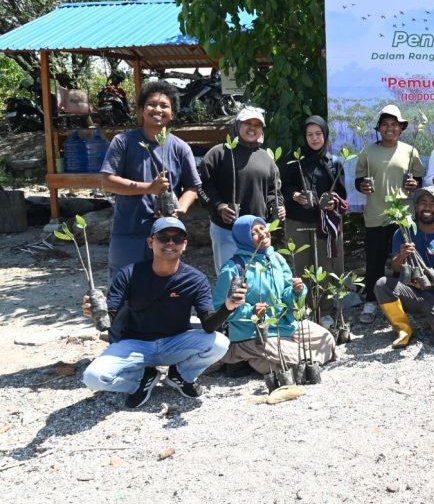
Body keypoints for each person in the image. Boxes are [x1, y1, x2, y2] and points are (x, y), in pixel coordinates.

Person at [81, 218, 230, 408]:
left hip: (175, 342)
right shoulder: (129, 274)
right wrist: (93, 312)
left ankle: (181, 375)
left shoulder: (196, 279)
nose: (170, 243)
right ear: (151, 242)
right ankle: (142, 380)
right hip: (136, 345)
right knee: (92, 378)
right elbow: (110, 312)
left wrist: (228, 307)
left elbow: (208, 325)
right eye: (163, 237)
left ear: (184, 245)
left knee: (220, 342)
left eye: (177, 239)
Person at [211, 215, 338, 376]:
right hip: (253, 332)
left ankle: (263, 360)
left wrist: (297, 291)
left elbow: (286, 296)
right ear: (243, 238)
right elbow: (219, 308)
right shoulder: (236, 268)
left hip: (285, 325)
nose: (262, 233)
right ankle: (242, 355)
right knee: (298, 360)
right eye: (254, 232)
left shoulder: (276, 258)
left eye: (263, 228)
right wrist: (251, 312)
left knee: (326, 340)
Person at [100, 80, 201, 278]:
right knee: (124, 289)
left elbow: (192, 187)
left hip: (166, 236)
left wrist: (180, 208)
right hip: (129, 232)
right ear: (141, 110)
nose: (158, 109)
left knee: (162, 289)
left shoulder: (180, 148)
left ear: (172, 113)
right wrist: (149, 188)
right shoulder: (123, 141)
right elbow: (107, 181)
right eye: (151, 104)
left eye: (164, 106)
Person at [355, 104, 424, 324]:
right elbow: (359, 181)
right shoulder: (368, 152)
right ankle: (371, 301)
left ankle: (398, 299)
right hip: (376, 215)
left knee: (402, 260)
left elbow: (418, 179)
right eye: (385, 124)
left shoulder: (410, 151)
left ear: (401, 128)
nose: (390, 128)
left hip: (402, 217)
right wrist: (362, 187)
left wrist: (415, 183)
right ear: (379, 128)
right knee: (374, 259)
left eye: (394, 125)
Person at [200, 106, 285, 272]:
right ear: (237, 125)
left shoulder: (267, 158)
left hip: (258, 232)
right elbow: (203, 186)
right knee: (231, 281)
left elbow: (273, 192)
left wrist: (278, 206)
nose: (252, 127)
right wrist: (219, 206)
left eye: (257, 124)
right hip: (226, 231)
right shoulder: (218, 153)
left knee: (258, 280)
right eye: (248, 122)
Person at [373, 186, 434, 347]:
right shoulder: (402, 232)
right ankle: (403, 329)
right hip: (411, 292)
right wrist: (402, 255)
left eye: (433, 204)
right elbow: (396, 269)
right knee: (382, 284)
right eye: (423, 202)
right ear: (416, 207)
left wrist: (427, 282)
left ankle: (429, 318)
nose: (427, 207)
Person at [281, 115, 349, 278]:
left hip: (325, 222)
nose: (314, 138)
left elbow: (341, 194)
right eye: (309, 134)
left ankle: (326, 304)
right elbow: (281, 186)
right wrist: (295, 195)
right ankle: (305, 303)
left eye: (318, 133)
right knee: (302, 264)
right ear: (304, 137)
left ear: (325, 134)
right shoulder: (294, 160)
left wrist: (333, 202)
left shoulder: (334, 163)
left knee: (327, 266)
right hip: (298, 220)